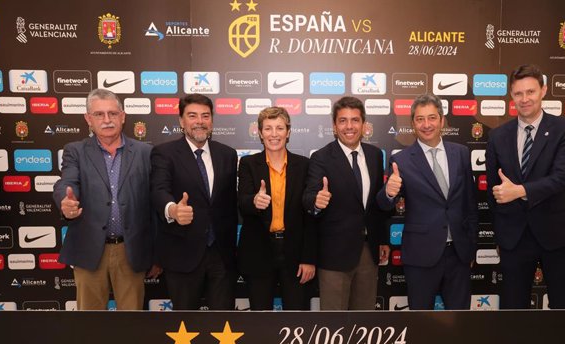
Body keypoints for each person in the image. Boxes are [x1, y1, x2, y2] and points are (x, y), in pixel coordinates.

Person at [53, 88, 159, 310]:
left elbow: (155, 204)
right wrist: (66, 201)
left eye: (112, 113)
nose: (107, 120)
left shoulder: (145, 152)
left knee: (132, 323)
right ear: (88, 119)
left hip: (131, 250)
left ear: (123, 116)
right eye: (99, 114)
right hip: (89, 247)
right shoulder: (75, 151)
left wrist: (157, 253)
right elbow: (67, 182)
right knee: (89, 326)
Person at [485, 64, 565, 309]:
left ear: (543, 90)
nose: (524, 99)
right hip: (514, 238)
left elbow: (561, 178)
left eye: (530, 92)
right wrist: (502, 232)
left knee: (564, 306)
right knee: (513, 311)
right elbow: (494, 190)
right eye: (518, 94)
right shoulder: (497, 136)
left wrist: (520, 191)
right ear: (511, 96)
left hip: (556, 235)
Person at [377, 94, 477, 310]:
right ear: (413, 124)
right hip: (421, 255)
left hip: (459, 255)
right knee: (421, 324)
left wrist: (470, 247)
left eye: (432, 118)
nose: (426, 124)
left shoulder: (461, 153)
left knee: (461, 323)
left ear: (442, 120)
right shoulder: (401, 160)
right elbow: (384, 205)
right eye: (420, 119)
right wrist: (389, 192)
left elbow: (470, 204)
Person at [150, 94, 238, 310]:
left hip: (221, 254)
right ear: (181, 121)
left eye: (205, 116)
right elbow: (158, 190)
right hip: (182, 252)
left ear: (212, 120)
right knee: (185, 327)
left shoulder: (227, 154)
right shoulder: (164, 153)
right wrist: (173, 210)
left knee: (224, 327)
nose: (200, 121)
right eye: (192, 115)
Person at [303, 96, 389, 310]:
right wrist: (316, 202)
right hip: (334, 256)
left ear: (364, 124)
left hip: (369, 253)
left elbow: (377, 204)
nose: (349, 126)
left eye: (355, 120)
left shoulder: (375, 155)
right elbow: (308, 197)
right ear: (334, 126)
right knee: (334, 324)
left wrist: (383, 240)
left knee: (364, 322)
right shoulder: (321, 157)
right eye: (343, 121)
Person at [237, 107, 317, 310]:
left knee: (296, 319)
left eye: (280, 128)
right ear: (260, 133)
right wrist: (254, 201)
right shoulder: (247, 163)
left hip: (295, 253)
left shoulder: (304, 165)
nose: (274, 134)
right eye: (268, 128)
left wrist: (308, 258)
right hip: (258, 252)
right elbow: (242, 201)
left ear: (288, 132)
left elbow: (310, 217)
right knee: (260, 320)